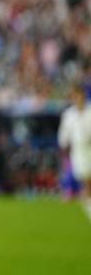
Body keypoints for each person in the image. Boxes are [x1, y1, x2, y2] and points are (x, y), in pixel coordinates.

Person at [58, 83, 91, 219]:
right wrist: (64, 148)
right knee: (85, 180)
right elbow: (63, 136)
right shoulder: (69, 115)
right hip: (79, 151)